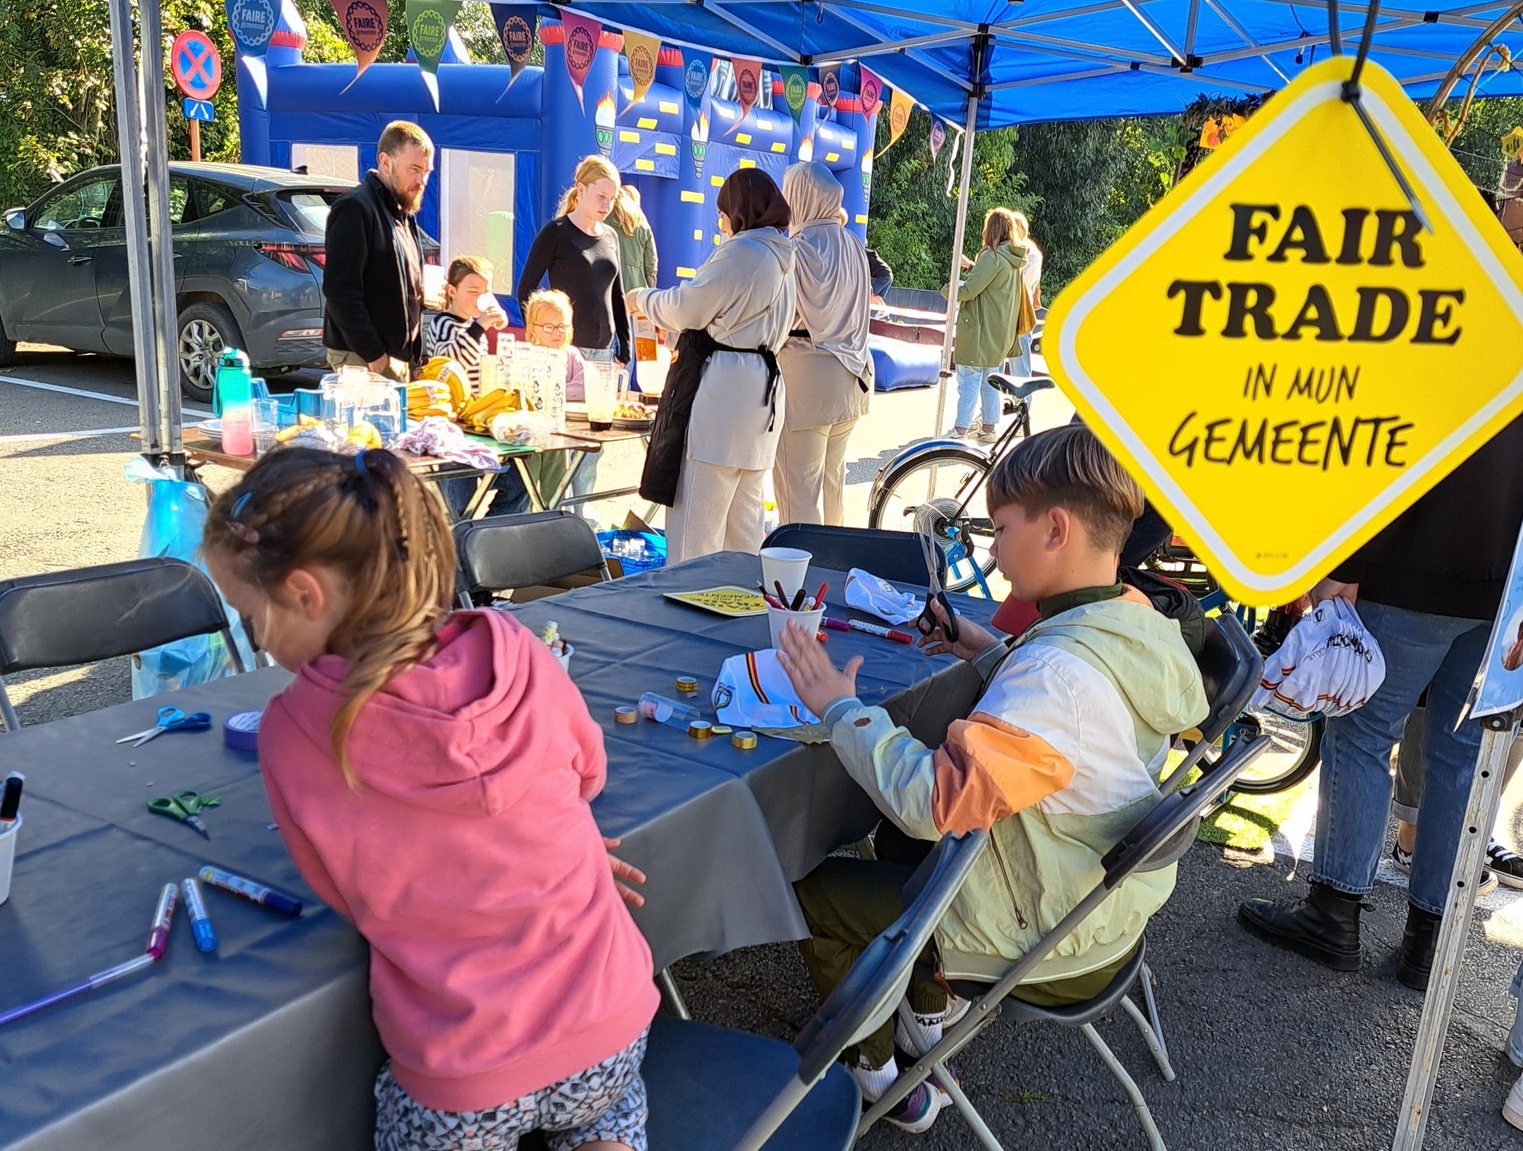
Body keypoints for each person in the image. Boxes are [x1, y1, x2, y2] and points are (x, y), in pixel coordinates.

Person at [201, 447, 659, 1151]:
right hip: (609, 1025)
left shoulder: (295, 731)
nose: (255, 641)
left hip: (464, 1071)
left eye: (251, 618)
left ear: (304, 593)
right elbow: (585, 776)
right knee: (607, 1119)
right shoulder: (517, 647)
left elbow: (350, 895)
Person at [774, 425, 1208, 1132]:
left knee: (813, 889)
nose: (991, 547)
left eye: (1000, 528)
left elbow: (930, 801)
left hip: (1042, 933)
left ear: (1055, 529)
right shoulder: (1132, 620)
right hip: (1092, 901)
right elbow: (1074, 687)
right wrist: (987, 646)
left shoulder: (1053, 679)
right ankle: (922, 1017)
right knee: (895, 849)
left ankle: (886, 1078)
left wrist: (837, 706)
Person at [1238, 412, 1523, 991]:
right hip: (1504, 585)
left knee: (1364, 736)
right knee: (1459, 757)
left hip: (1410, 564)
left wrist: (1345, 563)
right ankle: (1428, 942)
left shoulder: (1463, 325)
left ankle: (1334, 911)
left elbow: (1392, 440)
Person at [628, 169, 796, 563]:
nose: (721, 223)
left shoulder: (744, 252)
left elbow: (688, 307)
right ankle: (739, 612)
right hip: (762, 397)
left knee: (695, 534)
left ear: (740, 212)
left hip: (725, 396)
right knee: (744, 531)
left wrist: (642, 299)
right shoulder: (784, 255)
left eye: (723, 213)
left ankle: (684, 616)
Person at [773, 162, 873, 528]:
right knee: (832, 490)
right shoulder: (853, 244)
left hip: (807, 385)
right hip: (854, 376)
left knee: (798, 495)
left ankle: (799, 580)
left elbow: (781, 319)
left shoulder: (796, 251)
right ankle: (834, 569)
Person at [324, 121, 433, 382]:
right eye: (415, 169)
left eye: (427, 171)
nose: (422, 181)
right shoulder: (355, 207)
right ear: (385, 162)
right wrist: (376, 357)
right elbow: (340, 291)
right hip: (362, 360)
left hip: (395, 360)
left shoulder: (402, 212)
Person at [517, 155, 631, 369]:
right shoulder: (556, 232)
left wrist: (625, 347)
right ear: (581, 189)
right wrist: (539, 336)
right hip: (567, 349)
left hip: (606, 350)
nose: (607, 205)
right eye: (601, 196)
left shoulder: (611, 236)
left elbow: (617, 295)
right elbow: (525, 290)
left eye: (612, 199)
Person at [951, 209, 1025, 443]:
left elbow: (969, 290)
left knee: (969, 381)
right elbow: (991, 283)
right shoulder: (1014, 261)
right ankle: (989, 428)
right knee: (990, 382)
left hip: (980, 332)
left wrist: (948, 289)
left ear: (990, 230)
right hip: (1001, 334)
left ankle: (959, 431)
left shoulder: (992, 256)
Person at [425, 255, 509, 391]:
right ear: (452, 291)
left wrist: (497, 314)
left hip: (473, 404)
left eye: (486, 292)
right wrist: (479, 327)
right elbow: (448, 366)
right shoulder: (443, 324)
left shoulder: (473, 327)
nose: (481, 298)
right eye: (473, 292)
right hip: (451, 404)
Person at [1008, 212, 1043, 377]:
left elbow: (1022, 284)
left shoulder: (1032, 255)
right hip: (1006, 313)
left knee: (1020, 368)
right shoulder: (1010, 251)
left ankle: (1023, 402)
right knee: (996, 366)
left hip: (1021, 314)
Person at [611, 185, 657, 292]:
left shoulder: (602, 219)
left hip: (608, 290)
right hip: (636, 294)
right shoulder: (642, 224)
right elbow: (651, 266)